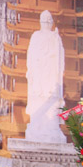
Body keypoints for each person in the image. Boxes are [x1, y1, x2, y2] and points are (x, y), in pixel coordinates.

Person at [25, 9, 66, 143]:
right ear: (41, 21)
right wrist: (30, 70)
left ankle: (52, 128)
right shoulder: (36, 36)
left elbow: (60, 58)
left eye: (49, 19)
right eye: (45, 19)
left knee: (51, 97)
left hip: (51, 73)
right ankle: (37, 127)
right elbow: (31, 55)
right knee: (38, 97)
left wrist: (56, 41)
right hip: (39, 72)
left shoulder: (55, 37)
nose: (47, 21)